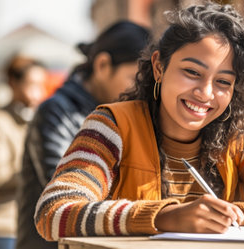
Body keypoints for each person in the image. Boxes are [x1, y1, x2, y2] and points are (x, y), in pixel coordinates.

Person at [34, 2, 244, 241]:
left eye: (223, 81)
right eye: (192, 72)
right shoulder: (112, 126)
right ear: (159, 66)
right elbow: (54, 211)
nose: (205, 93)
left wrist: (238, 215)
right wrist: (162, 216)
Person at [16, 21, 151, 249]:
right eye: (133, 78)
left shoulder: (127, 115)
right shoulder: (56, 112)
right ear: (102, 65)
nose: (140, 89)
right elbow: (66, 193)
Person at [0, 55, 48, 249]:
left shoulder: (34, 120)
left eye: (41, 86)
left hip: (29, 224)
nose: (37, 93)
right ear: (13, 83)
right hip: (1, 226)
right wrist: (40, 170)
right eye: (31, 85)